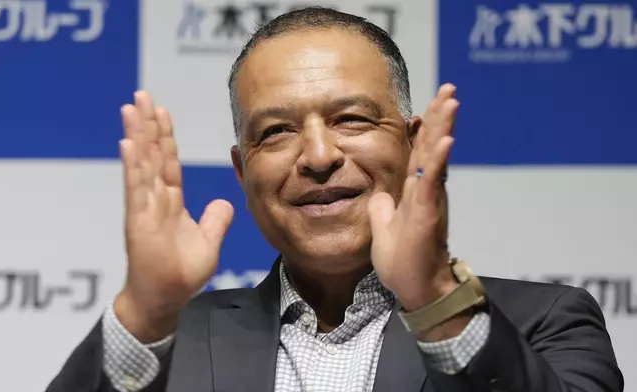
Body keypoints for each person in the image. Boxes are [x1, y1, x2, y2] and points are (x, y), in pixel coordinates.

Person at [46, 7, 623, 392]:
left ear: (413, 140)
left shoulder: (544, 324)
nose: (318, 155)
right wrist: (146, 312)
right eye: (275, 132)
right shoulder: (169, 345)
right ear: (243, 171)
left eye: (351, 118)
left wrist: (435, 302)